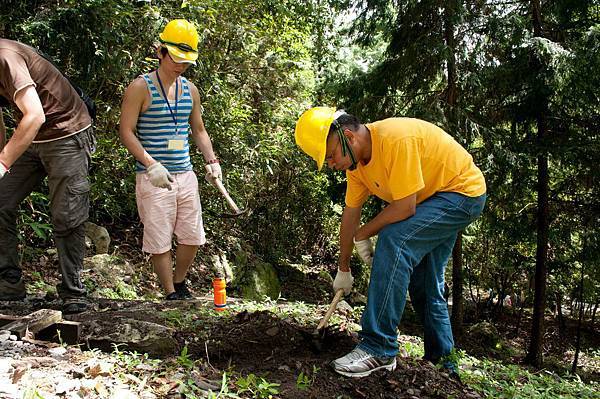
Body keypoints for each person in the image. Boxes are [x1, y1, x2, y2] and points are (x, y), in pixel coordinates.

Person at [295, 107, 486, 378]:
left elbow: (405, 207)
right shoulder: (357, 167)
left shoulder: (396, 140)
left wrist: (364, 234)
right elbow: (350, 216)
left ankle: (378, 347)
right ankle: (444, 362)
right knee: (425, 282)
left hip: (461, 194)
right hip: (431, 197)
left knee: (394, 240)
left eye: (330, 156)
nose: (331, 164)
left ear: (348, 137)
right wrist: (343, 268)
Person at [119, 19, 220, 300]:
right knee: (159, 238)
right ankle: (168, 292)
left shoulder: (190, 90)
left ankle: (180, 282)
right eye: (175, 58)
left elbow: (198, 130)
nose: (180, 66)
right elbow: (126, 132)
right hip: (154, 176)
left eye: (186, 62)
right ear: (160, 51)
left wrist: (212, 161)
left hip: (185, 173)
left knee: (192, 236)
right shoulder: (140, 87)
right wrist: (150, 163)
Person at [0, 38, 95, 314]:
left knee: (66, 213)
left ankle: (72, 291)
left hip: (68, 132)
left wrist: (3, 162)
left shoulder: (6, 57)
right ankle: (9, 284)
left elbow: (35, 115)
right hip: (30, 139)